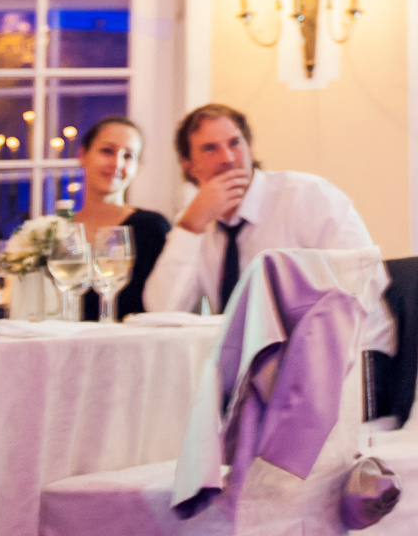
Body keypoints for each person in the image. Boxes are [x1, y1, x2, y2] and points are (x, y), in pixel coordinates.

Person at [143, 103, 395, 369]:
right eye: (210, 148)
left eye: (235, 143)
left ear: (250, 148)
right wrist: (190, 227)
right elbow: (162, 311)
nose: (227, 158)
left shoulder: (308, 196)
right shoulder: (197, 221)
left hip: (347, 356)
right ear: (189, 165)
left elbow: (362, 282)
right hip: (254, 370)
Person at [72, 115, 170, 321]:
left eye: (128, 156)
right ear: (83, 155)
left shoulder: (152, 228)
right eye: (107, 151)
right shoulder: (58, 232)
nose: (117, 163)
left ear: (137, 167)